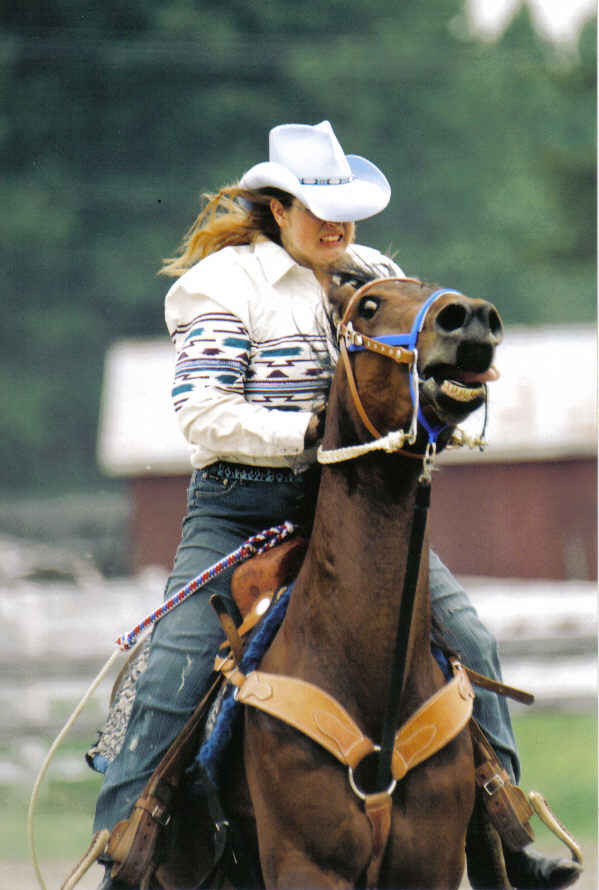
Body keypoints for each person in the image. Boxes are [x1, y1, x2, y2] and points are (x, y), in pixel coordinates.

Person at [93, 121, 579, 890]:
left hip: (358, 515)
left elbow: (401, 385)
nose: (335, 222)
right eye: (315, 206)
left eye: (344, 206)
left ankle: (505, 831)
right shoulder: (220, 286)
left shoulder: (377, 276)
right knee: (172, 667)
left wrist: (441, 404)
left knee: (471, 643)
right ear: (276, 208)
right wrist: (309, 432)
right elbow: (203, 413)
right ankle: (127, 841)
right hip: (239, 513)